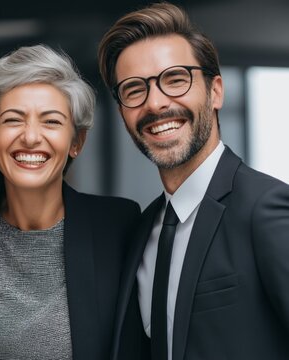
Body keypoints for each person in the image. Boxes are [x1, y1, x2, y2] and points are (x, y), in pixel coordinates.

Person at [97, 3, 289, 360]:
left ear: (215, 91)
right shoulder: (141, 231)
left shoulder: (267, 209)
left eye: (175, 79)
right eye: (134, 89)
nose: (155, 103)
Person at [0, 44, 140, 360]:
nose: (30, 137)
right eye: (13, 120)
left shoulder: (118, 228)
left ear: (76, 142)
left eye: (51, 121)